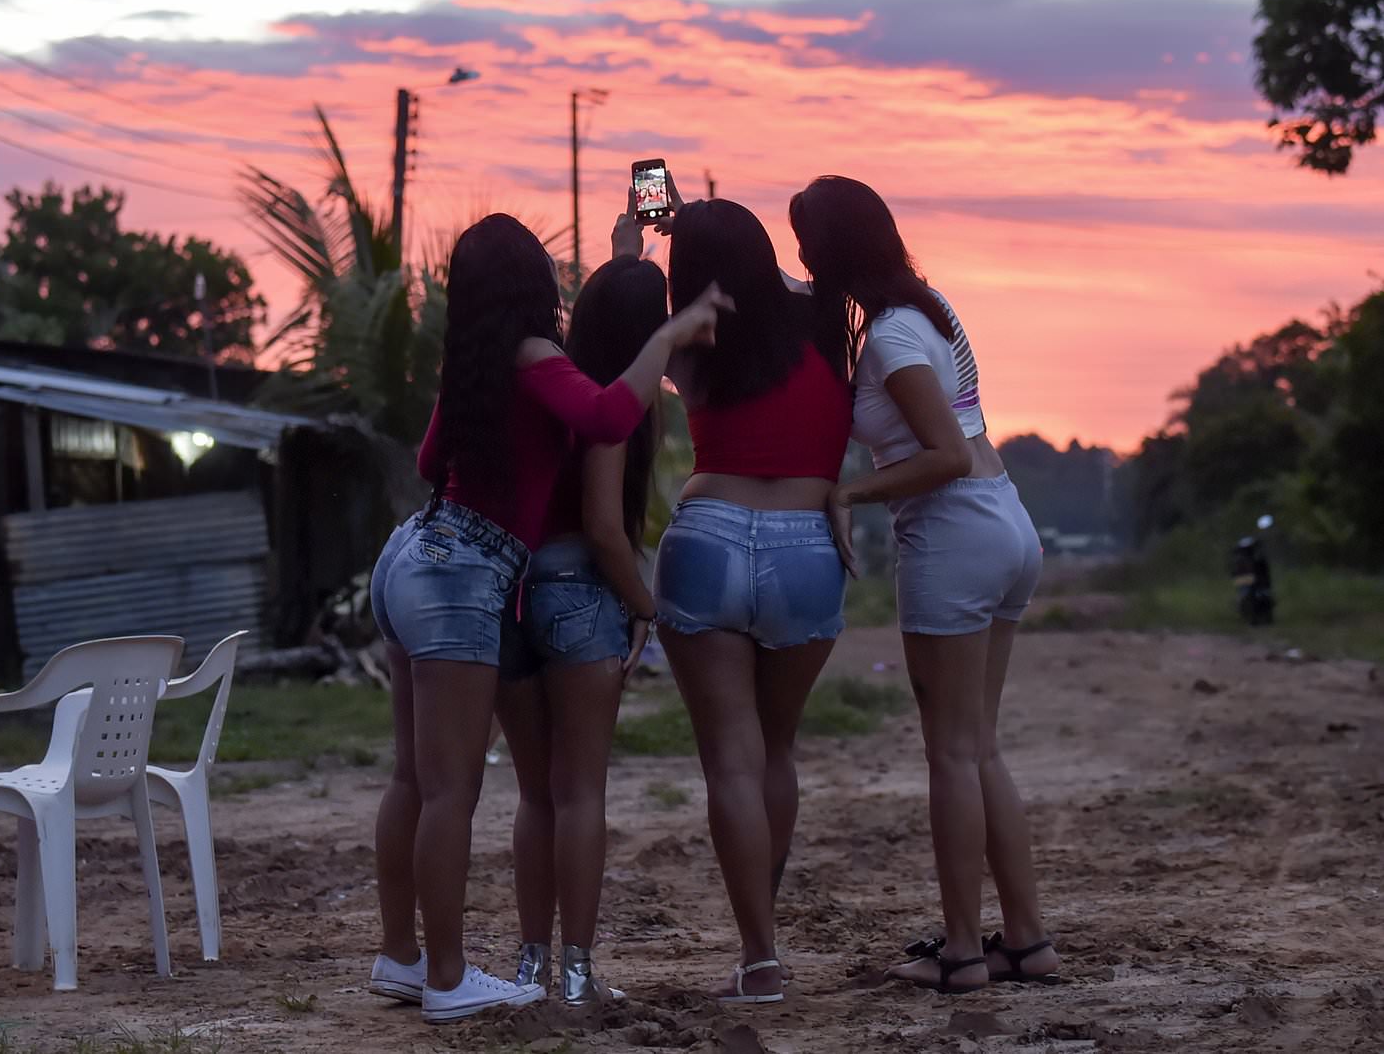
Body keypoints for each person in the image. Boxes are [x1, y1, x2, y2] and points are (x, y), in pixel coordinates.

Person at [365, 213, 729, 1023]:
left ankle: (401, 955)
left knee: (413, 778)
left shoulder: (473, 365)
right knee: (454, 790)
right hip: (466, 569)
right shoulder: (536, 357)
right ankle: (450, 978)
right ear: (535, 286)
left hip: (409, 555)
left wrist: (627, 258)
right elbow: (604, 416)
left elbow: (431, 464)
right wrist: (667, 335)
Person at [794, 175, 1059, 993]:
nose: (802, 256)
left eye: (807, 241)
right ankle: (1026, 941)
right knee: (977, 746)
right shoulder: (928, 307)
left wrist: (847, 492)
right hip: (1005, 523)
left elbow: (940, 454)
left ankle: (960, 951)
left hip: (954, 536)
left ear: (834, 248)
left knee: (949, 752)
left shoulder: (890, 340)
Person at [649, 197, 855, 1005]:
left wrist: (640, 248)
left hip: (706, 537)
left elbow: (625, 328)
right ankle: (761, 937)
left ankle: (759, 956)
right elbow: (778, 280)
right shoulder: (824, 316)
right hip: (808, 544)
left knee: (730, 761)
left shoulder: (688, 337)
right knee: (777, 750)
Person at [497, 216, 669, 1007]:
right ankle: (578, 974)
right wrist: (646, 607)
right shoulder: (614, 405)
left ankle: (530, 968)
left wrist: (626, 254)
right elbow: (604, 525)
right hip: (580, 598)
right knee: (582, 796)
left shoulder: (557, 370)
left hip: (514, 591)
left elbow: (610, 311)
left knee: (535, 795)